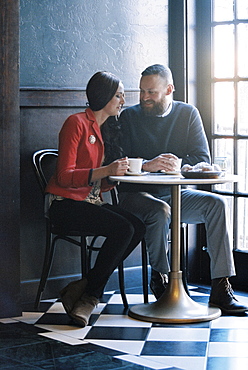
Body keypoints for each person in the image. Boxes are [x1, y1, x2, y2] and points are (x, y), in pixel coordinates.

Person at [117, 64, 247, 315]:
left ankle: (220, 287)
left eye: (151, 92)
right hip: (135, 196)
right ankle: (161, 278)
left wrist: (180, 164)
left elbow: (201, 157)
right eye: (142, 91)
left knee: (216, 205)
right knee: (161, 210)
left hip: (175, 192)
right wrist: (149, 165)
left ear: (169, 89)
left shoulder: (188, 114)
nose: (144, 98)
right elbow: (120, 158)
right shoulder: (129, 117)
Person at [45, 71, 145, 327]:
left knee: (138, 227)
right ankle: (90, 297)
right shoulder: (76, 123)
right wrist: (107, 171)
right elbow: (64, 176)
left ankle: (85, 286)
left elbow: (100, 181)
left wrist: (118, 175)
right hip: (63, 204)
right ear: (104, 96)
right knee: (123, 228)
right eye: (119, 95)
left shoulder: (107, 129)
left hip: (90, 203)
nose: (123, 100)